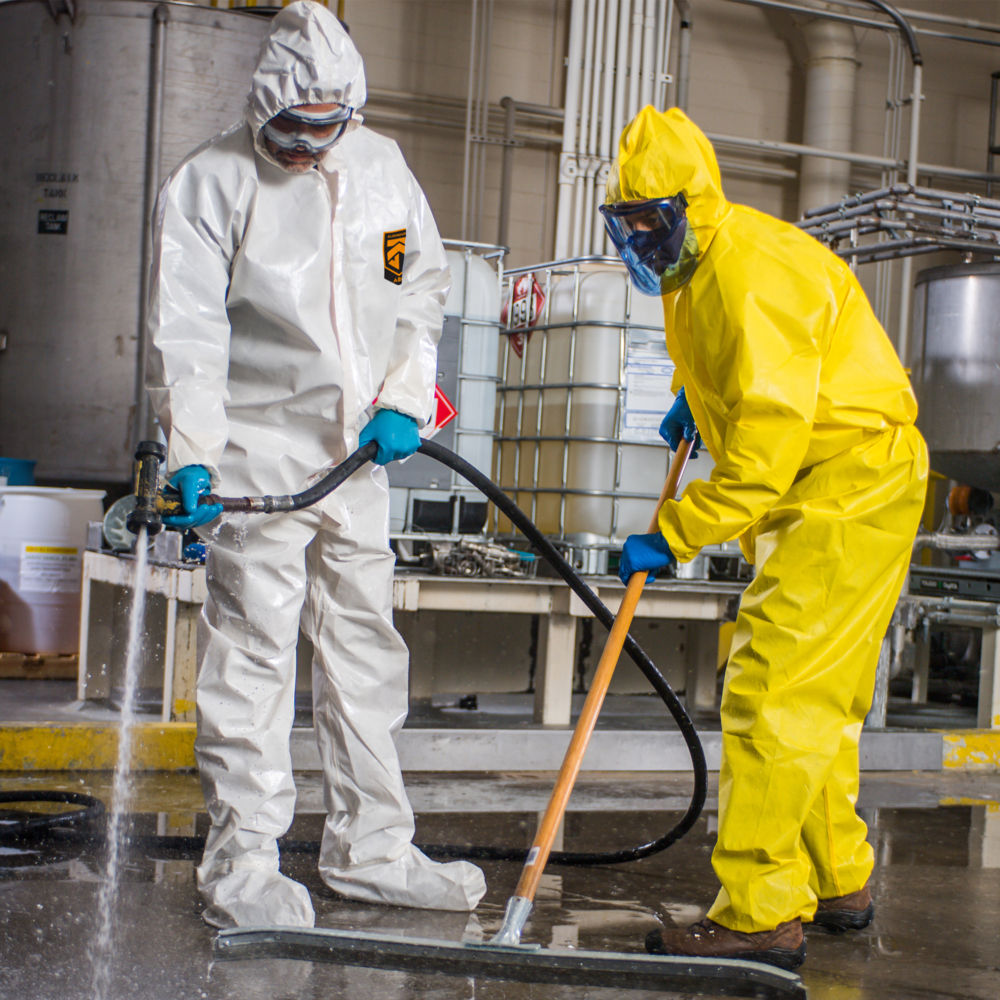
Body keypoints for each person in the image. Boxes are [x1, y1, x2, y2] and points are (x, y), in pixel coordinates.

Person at [147, 1, 485, 929]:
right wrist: (194, 453)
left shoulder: (379, 172)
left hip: (359, 461)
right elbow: (189, 334)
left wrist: (406, 399)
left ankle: (372, 852)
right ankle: (242, 869)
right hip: (258, 460)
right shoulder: (211, 182)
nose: (306, 146)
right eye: (291, 129)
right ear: (264, 109)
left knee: (364, 657)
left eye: (324, 129)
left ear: (352, 116)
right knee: (253, 660)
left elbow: (420, 288)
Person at [604, 107, 927, 969]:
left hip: (846, 484)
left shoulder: (745, 271)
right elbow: (730, 371)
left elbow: (764, 455)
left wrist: (675, 533)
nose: (639, 241)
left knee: (771, 694)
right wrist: (694, 398)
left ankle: (757, 911)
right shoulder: (698, 262)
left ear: (690, 206)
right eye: (626, 225)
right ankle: (838, 879)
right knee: (815, 699)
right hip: (831, 483)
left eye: (650, 224)